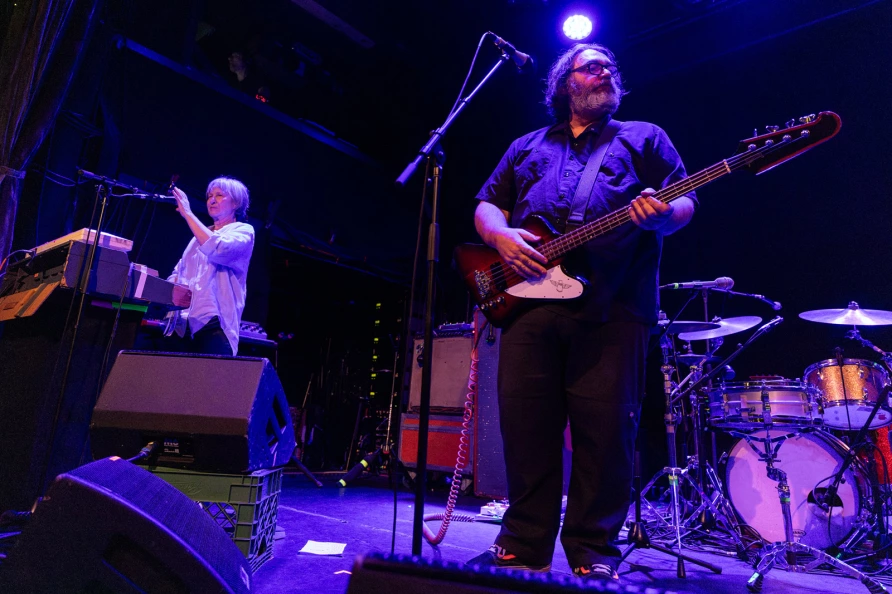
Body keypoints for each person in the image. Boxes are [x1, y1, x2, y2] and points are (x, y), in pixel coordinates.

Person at [466, 43, 696, 580]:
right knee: (526, 428)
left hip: (616, 306)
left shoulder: (644, 136)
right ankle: (523, 540)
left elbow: (686, 199)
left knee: (606, 433)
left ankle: (593, 548)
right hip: (528, 305)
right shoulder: (526, 145)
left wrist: (663, 217)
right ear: (565, 83)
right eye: (592, 66)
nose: (605, 72)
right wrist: (499, 236)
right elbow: (485, 204)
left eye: (610, 66)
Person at [166, 176, 255, 356]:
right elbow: (179, 271)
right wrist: (171, 288)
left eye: (220, 195)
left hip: (215, 325)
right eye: (209, 196)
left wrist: (188, 214)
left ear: (236, 203)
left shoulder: (243, 231)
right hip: (184, 325)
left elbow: (218, 248)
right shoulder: (197, 238)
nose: (212, 200)